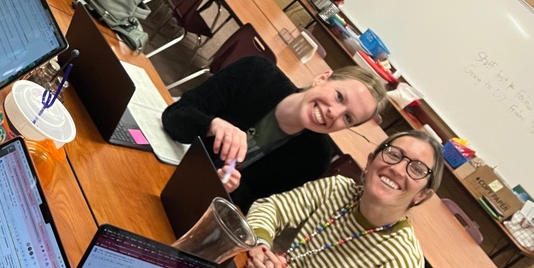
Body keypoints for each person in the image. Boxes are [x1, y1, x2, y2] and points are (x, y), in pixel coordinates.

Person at [244, 131, 443, 268]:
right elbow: (272, 208)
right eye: (393, 154)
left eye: (417, 169)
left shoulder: (402, 263)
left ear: (422, 195)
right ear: (370, 161)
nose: (398, 169)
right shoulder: (338, 189)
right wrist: (261, 248)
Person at [161, 57, 387, 211]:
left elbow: (255, 207)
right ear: (322, 78)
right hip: (162, 160)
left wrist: (232, 189)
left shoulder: (315, 159)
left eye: (348, 118)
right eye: (339, 97)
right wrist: (213, 125)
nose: (333, 113)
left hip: (193, 202)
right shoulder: (255, 73)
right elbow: (174, 117)